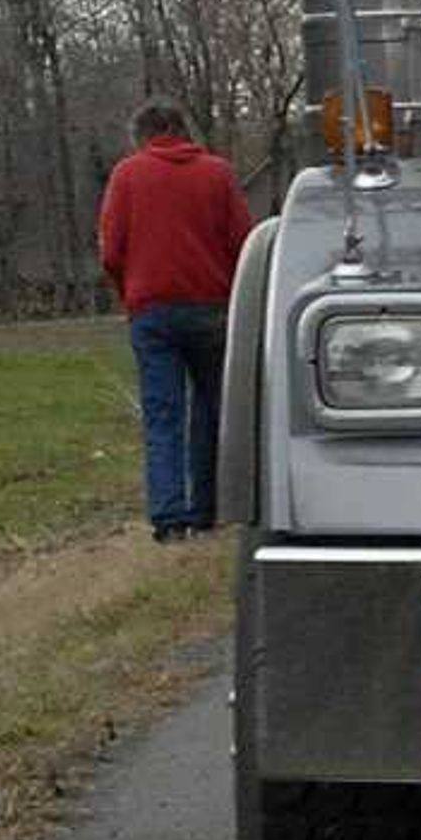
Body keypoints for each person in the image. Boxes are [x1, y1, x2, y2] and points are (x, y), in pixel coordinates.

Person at [97, 100, 254, 542]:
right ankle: (209, 509)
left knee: (163, 414)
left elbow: (111, 250)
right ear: (185, 130)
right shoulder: (217, 173)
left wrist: (128, 289)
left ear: (142, 135)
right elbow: (243, 240)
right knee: (212, 410)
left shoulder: (127, 175)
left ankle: (168, 518)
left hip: (152, 309)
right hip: (211, 308)